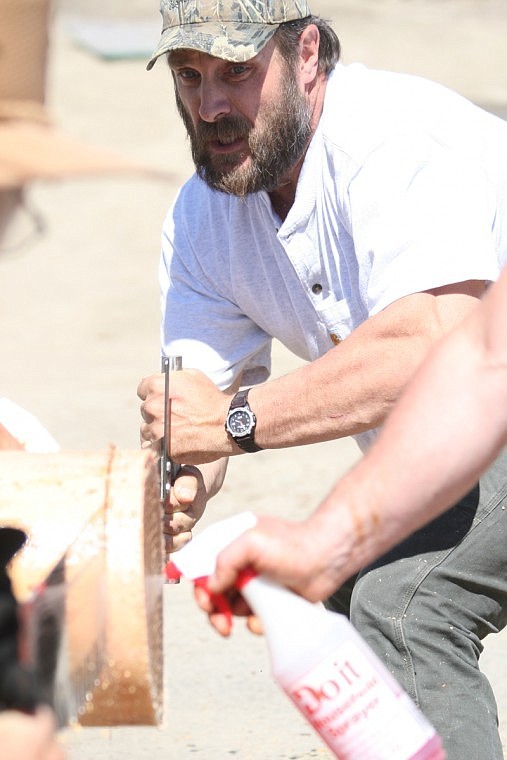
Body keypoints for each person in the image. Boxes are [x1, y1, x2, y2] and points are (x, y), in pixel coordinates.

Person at [137, 1, 507, 757]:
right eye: (188, 76)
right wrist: (181, 485)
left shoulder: (395, 138)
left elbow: (436, 344)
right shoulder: (202, 217)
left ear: (306, 52)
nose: (210, 105)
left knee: (404, 603)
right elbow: (199, 406)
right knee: (337, 600)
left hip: (483, 399)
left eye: (237, 72)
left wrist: (233, 423)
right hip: (460, 418)